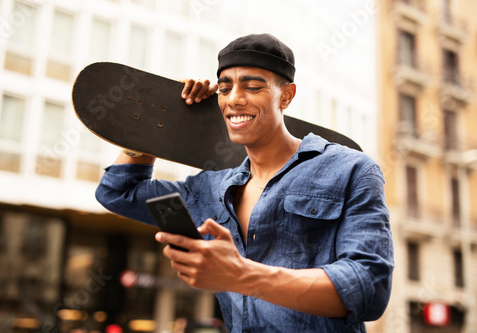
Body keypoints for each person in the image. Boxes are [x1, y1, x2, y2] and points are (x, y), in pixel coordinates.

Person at [95, 33, 394, 332]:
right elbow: (117, 191)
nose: (235, 99)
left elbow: (368, 289)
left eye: (252, 87)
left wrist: (240, 275)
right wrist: (163, 124)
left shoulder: (351, 169)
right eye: (225, 89)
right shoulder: (208, 190)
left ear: (286, 95)